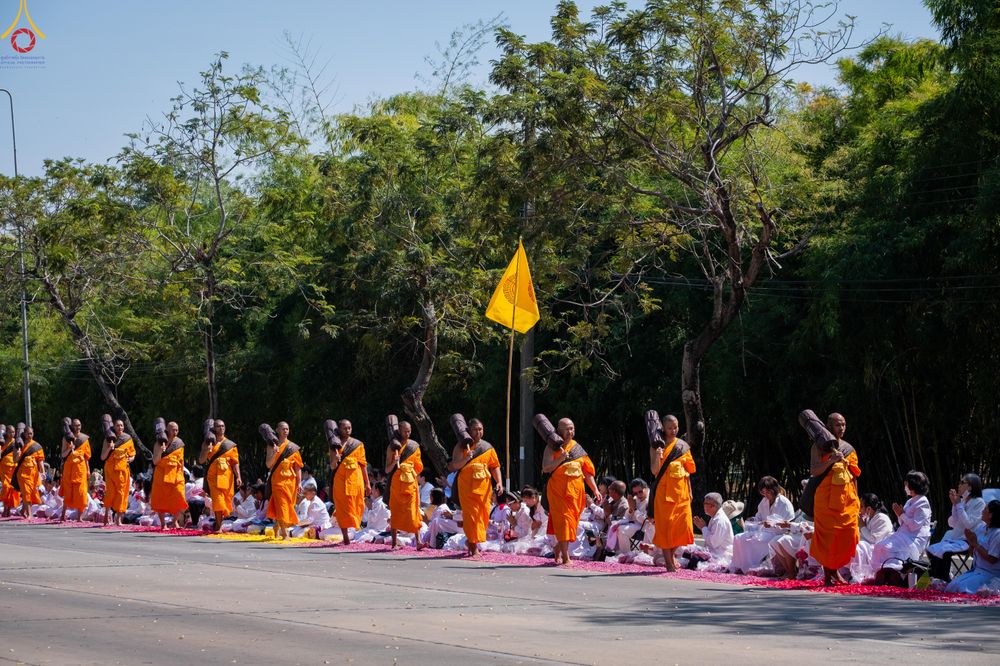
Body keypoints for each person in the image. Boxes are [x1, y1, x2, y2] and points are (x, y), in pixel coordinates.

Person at [809, 412, 861, 586]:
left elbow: (854, 476)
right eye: (838, 425)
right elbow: (814, 471)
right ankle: (828, 575)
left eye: (844, 424)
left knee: (848, 534)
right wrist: (831, 460)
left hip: (847, 500)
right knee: (828, 538)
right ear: (829, 426)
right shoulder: (818, 447)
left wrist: (857, 501)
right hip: (826, 500)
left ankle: (836, 570)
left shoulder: (849, 448)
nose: (842, 428)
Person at [544, 418, 602, 566]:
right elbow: (546, 468)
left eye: (572, 428)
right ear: (558, 430)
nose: (570, 432)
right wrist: (560, 459)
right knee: (563, 522)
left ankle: (558, 548)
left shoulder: (577, 448)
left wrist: (595, 490)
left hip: (576, 494)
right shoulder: (551, 447)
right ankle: (566, 557)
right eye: (567, 429)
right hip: (558, 492)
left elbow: (587, 472)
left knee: (571, 525)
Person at [449, 418, 502, 557]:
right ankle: (474, 548)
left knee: (483, 516)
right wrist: (466, 459)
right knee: (471, 517)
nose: (478, 432)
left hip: (484, 488)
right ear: (469, 430)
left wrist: (499, 482)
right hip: (467, 487)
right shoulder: (461, 446)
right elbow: (455, 465)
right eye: (475, 429)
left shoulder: (487, 447)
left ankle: (471, 542)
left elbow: (495, 466)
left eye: (481, 429)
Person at [650, 414, 696, 572]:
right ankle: (669, 563)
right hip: (663, 497)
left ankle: (670, 556)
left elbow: (688, 471)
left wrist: (690, 491)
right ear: (663, 428)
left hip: (681, 496)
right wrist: (657, 455)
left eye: (675, 427)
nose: (673, 430)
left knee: (685, 529)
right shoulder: (657, 445)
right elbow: (654, 471)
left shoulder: (683, 446)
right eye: (669, 428)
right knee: (665, 530)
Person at [730, 476, 797, 574]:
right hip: (762, 531)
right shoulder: (764, 501)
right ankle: (740, 566)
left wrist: (772, 525)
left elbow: (786, 525)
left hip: (776, 534)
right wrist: (753, 520)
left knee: (753, 541)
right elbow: (759, 517)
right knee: (738, 538)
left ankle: (752, 566)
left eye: (768, 492)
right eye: (763, 493)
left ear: (774, 490)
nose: (766, 495)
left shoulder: (784, 503)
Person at [928, 473, 987, 581]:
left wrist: (958, 505)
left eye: (962, 482)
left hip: (967, 540)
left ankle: (943, 580)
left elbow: (969, 524)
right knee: (931, 549)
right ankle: (935, 578)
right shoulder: (962, 501)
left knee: (944, 552)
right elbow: (952, 523)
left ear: (970, 486)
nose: (959, 485)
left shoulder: (979, 502)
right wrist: (955, 505)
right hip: (956, 540)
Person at [873, 470, 933, 570]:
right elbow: (902, 523)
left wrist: (902, 514)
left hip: (914, 539)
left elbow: (914, 525)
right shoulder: (910, 501)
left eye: (906, 483)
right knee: (879, 546)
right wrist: (899, 515)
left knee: (887, 548)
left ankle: (896, 572)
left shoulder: (923, 502)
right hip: (903, 535)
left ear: (913, 485)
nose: (905, 486)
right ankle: (884, 573)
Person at [330, 419, 370, 545]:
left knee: (357, 505)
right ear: (339, 430)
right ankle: (345, 536)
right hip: (340, 481)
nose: (347, 430)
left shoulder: (358, 444)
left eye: (349, 428)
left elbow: (363, 465)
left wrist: (367, 483)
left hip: (355, 480)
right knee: (341, 508)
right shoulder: (334, 445)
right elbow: (332, 466)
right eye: (344, 428)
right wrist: (335, 460)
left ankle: (354, 528)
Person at [946, 500, 1000, 594]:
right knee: (951, 587)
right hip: (977, 570)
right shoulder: (982, 528)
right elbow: (972, 554)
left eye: (986, 509)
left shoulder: (997, 533)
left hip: (990, 574)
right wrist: (971, 542)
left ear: (991, 515)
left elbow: (992, 559)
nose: (982, 511)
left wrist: (975, 544)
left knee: (962, 588)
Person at [386, 421, 423, 549]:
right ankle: (394, 542)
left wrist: (408, 471)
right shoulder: (392, 447)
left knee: (413, 512)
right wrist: (395, 462)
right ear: (399, 431)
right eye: (404, 431)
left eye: (409, 431)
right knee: (395, 512)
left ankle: (418, 542)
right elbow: (387, 470)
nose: (407, 434)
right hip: (396, 484)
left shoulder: (414, 446)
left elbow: (418, 467)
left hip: (410, 484)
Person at [200, 419, 241, 533]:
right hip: (213, 477)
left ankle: (218, 525)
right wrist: (206, 451)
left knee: (225, 501)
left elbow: (235, 462)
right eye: (218, 426)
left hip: (227, 477)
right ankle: (218, 526)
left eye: (223, 426)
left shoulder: (230, 445)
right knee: (218, 501)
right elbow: (201, 460)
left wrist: (238, 477)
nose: (221, 428)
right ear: (214, 428)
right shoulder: (208, 442)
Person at [265, 421, 304, 540]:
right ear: (277, 430)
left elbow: (298, 468)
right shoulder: (272, 445)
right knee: (282, 506)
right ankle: (284, 533)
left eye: (287, 429)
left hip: (290, 483)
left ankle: (277, 527)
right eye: (283, 429)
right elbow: (268, 464)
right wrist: (275, 453)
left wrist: (299, 482)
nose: (285, 431)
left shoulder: (293, 447)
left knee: (287, 506)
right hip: (277, 482)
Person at [151, 422, 187, 529]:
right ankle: (163, 523)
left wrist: (182, 474)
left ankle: (174, 520)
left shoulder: (180, 443)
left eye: (177, 430)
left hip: (176, 474)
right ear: (167, 429)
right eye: (173, 430)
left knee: (180, 496)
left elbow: (181, 461)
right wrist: (161, 452)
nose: (175, 432)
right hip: (161, 474)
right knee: (160, 499)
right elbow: (155, 462)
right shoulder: (159, 442)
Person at [102, 420, 136, 526]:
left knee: (122, 494)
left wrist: (131, 459)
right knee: (111, 492)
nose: (120, 427)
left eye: (121, 425)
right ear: (114, 426)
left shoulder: (127, 438)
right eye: (117, 425)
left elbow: (132, 454)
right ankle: (106, 515)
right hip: (110, 470)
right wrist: (109, 448)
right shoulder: (108, 439)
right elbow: (102, 457)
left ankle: (118, 518)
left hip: (123, 470)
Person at [688, 492, 734, 570]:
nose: (703, 506)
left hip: (720, 556)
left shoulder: (720, 520)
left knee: (694, 559)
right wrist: (703, 528)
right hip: (713, 553)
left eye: (705, 503)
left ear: (713, 506)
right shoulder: (715, 517)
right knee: (688, 552)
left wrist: (703, 528)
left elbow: (713, 543)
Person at [58, 419, 92, 521]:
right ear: (71, 426)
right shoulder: (66, 438)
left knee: (81, 492)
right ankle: (63, 515)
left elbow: (86, 457)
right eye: (75, 425)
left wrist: (88, 470)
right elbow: (63, 454)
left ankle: (79, 517)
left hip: (81, 468)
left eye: (79, 425)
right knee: (68, 491)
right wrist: (69, 448)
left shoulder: (85, 438)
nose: (78, 427)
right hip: (69, 468)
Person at [15, 426, 45, 518]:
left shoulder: (37, 446)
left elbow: (40, 461)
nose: (29, 435)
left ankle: (22, 510)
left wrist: (43, 472)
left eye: (31, 433)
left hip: (34, 474)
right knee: (26, 493)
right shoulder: (19, 445)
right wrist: (17, 454)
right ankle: (29, 514)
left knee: (32, 493)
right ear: (24, 434)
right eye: (28, 433)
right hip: (23, 474)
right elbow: (15, 460)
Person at [1, 424, 21, 516]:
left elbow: (18, 455)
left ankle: (8, 508)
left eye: (13, 432)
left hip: (12, 468)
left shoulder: (15, 442)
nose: (12, 434)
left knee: (12, 489)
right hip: (4, 468)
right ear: (6, 432)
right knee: (5, 487)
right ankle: (5, 508)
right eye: (10, 432)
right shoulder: (2, 442)